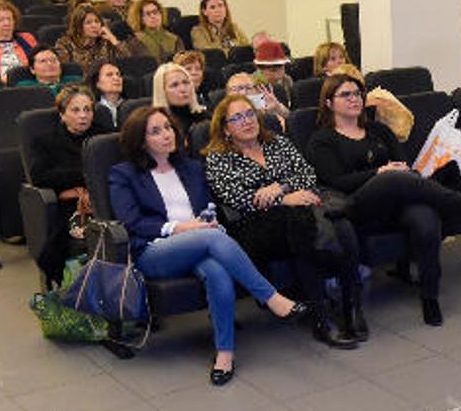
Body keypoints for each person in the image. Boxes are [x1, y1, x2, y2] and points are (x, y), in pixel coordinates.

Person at [110, 106, 312, 386]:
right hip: (154, 250)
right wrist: (183, 228)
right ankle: (271, 298)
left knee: (217, 271)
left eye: (167, 127)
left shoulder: (191, 168)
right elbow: (130, 222)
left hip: (198, 242)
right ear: (141, 141)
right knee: (212, 237)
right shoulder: (124, 174)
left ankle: (224, 354)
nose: (166, 135)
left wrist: (206, 220)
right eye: (155, 131)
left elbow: (208, 207)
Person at [307, 74, 461, 327]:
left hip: (397, 197)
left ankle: (429, 296)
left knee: (425, 217)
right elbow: (335, 181)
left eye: (357, 93)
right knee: (391, 179)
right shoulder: (322, 139)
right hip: (356, 205)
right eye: (346, 94)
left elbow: (403, 166)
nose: (354, 99)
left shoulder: (378, 130)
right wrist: (378, 173)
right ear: (329, 103)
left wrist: (394, 171)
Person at [203, 95, 365, 348]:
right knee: (306, 218)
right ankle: (321, 318)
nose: (247, 121)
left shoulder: (278, 142)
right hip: (252, 228)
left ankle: (351, 309)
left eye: (249, 114)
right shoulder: (219, 158)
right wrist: (285, 200)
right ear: (225, 128)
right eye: (237, 118)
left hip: (296, 220)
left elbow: (308, 175)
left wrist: (279, 188)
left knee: (336, 222)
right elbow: (236, 198)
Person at [28, 86, 103, 285]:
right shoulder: (46, 141)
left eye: (87, 110)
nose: (83, 116)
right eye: (75, 110)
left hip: (104, 199)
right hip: (70, 206)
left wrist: (80, 183)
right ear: (62, 113)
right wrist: (83, 179)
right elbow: (40, 178)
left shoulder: (104, 136)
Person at [54, 4, 127, 69]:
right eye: (88, 23)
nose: (94, 25)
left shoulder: (105, 41)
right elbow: (64, 69)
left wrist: (113, 39)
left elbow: (127, 61)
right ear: (78, 26)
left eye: (97, 21)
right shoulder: (65, 43)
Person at [151, 63, 209, 133]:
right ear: (162, 91)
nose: (183, 89)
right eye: (174, 85)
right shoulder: (158, 124)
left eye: (186, 82)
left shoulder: (204, 117)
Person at [15, 45, 84, 95]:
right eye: (43, 61)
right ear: (32, 69)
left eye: (53, 60)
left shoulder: (77, 81)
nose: (49, 64)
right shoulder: (25, 87)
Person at [252, 40, 292, 110]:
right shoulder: (251, 85)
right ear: (259, 69)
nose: (279, 75)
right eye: (273, 70)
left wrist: (279, 108)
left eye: (282, 68)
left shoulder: (287, 80)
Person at [87, 60, 125, 130]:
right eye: (109, 75)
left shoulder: (131, 106)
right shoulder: (92, 110)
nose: (116, 78)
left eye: (118, 75)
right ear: (97, 83)